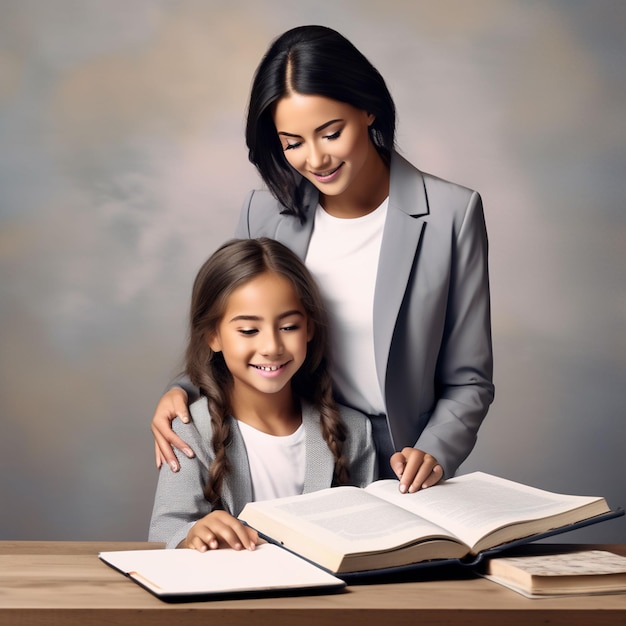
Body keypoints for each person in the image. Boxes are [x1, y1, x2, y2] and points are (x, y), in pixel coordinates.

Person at [151, 25, 494, 494]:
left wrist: (435, 449)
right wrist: (184, 390)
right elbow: (235, 322)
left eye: (330, 133)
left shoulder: (453, 215)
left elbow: (469, 378)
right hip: (301, 443)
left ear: (368, 108)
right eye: (292, 143)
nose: (315, 159)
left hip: (403, 460)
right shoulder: (263, 212)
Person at [149, 237, 376, 550]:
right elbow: (163, 533)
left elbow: (372, 536)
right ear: (212, 335)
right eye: (248, 330)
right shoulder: (189, 431)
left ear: (309, 328)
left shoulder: (354, 431)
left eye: (289, 327)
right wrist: (191, 536)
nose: (271, 347)